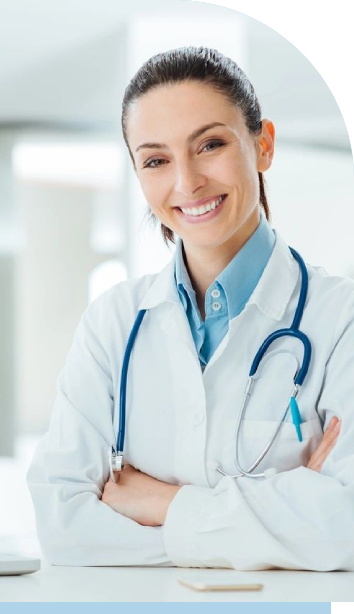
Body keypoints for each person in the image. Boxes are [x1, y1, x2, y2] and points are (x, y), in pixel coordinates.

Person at [25, 46, 354, 571]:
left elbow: (348, 526)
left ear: (263, 144)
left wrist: (163, 504)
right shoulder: (113, 325)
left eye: (210, 145)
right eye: (156, 160)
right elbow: (63, 527)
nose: (187, 181)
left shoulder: (340, 319)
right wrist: (285, 525)